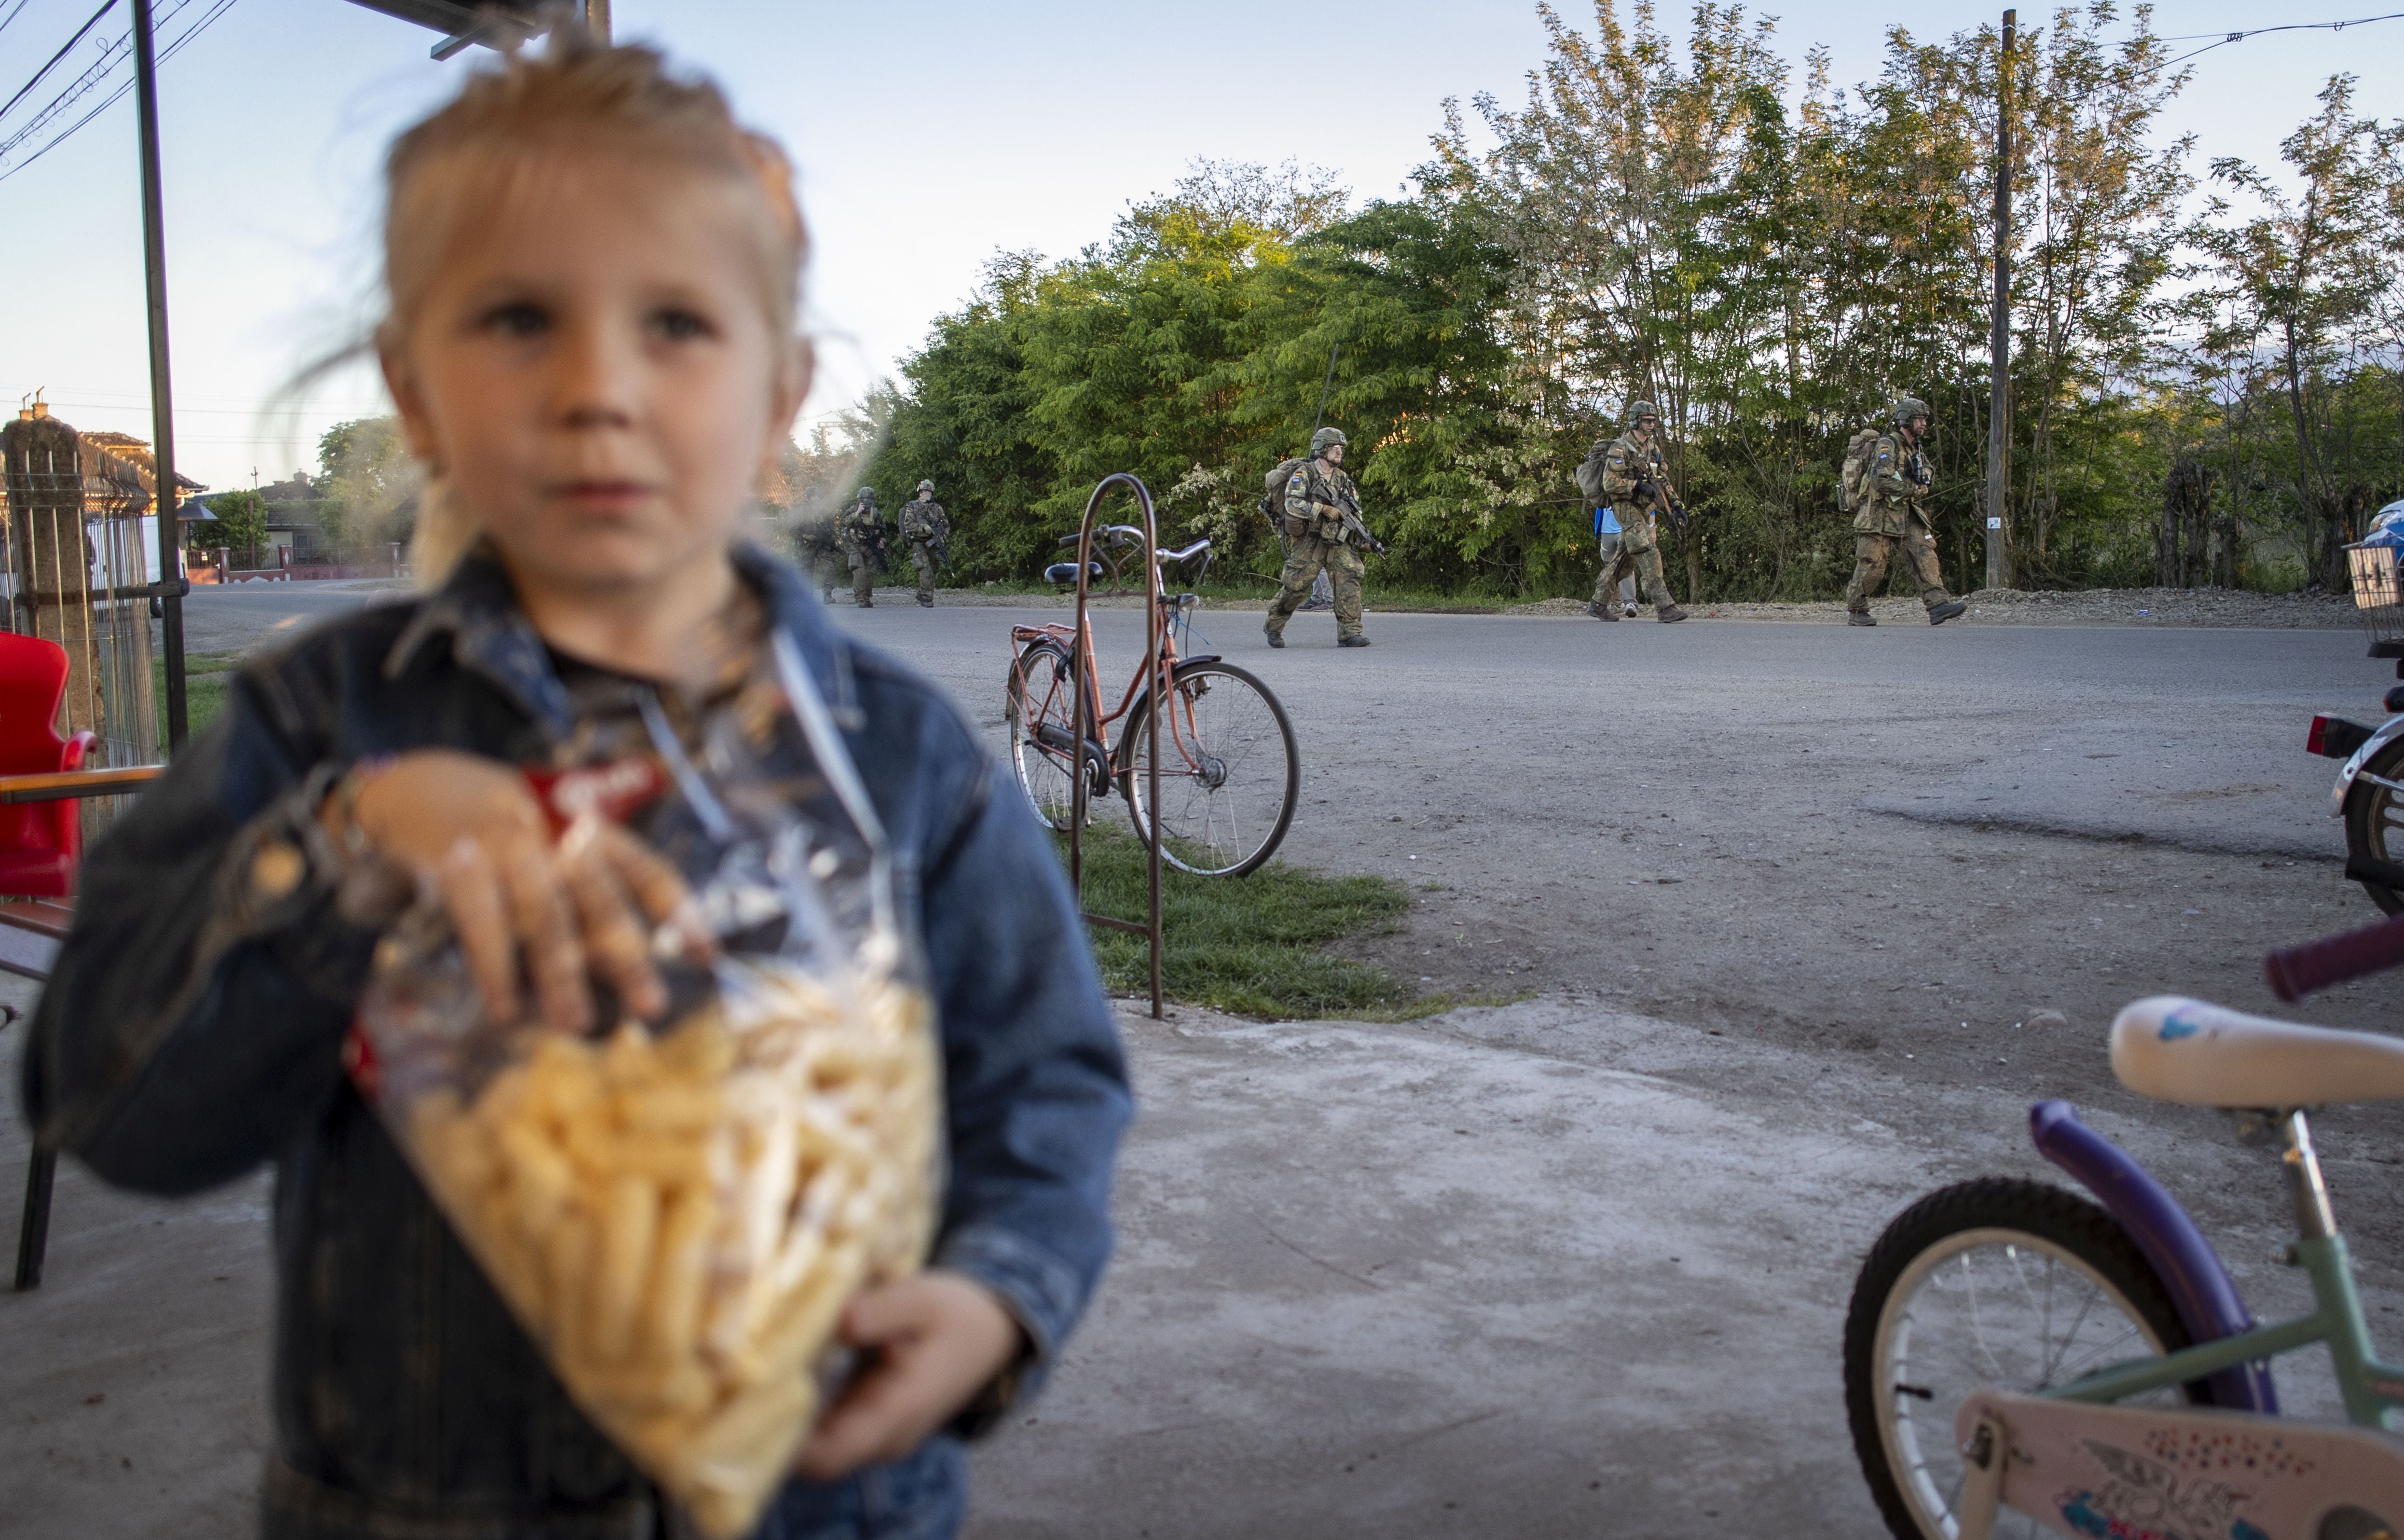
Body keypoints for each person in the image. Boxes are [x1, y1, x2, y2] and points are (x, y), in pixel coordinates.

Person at [18, 38, 1129, 1540]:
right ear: (414, 391)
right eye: (520, 317)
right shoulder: (319, 719)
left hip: (833, 1498)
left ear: (784, 398)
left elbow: (1046, 1080)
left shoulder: (898, 756)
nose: (599, 387)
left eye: (677, 321)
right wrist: (351, 841)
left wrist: (1000, 1299)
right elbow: (103, 1100)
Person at [1846, 396, 1968, 627]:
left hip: (1906, 511)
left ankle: (1938, 605)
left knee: (1924, 553)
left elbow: (1928, 469)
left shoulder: (1915, 447)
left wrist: (1924, 479)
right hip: (1879, 513)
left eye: (1924, 420)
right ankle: (1857, 609)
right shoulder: (1887, 445)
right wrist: (1914, 488)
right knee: (1872, 564)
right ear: (1906, 420)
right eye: (1919, 419)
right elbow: (1880, 480)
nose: (1924, 424)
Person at [1263, 426, 1372, 649]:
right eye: (1335, 447)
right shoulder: (1304, 474)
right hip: (1310, 541)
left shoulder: (1342, 478)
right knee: (1296, 587)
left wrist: (1362, 535)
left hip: (1337, 540)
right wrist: (1322, 509)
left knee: (1350, 577)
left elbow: (1355, 510)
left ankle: (1350, 632)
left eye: (1342, 448)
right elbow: (1292, 504)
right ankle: (1273, 627)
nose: (1340, 452)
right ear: (1322, 449)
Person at [1581, 401, 1687, 624]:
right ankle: (1665, 607)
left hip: (1644, 509)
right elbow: (1610, 484)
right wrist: (1637, 485)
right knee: (1648, 551)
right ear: (1636, 421)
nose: (1652, 424)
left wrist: (1677, 506)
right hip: (1626, 508)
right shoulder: (1620, 448)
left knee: (1625, 560)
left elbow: (1663, 481)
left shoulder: (1652, 449)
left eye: (1654, 420)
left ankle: (1598, 604)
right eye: (1647, 421)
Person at [899, 478, 950, 609]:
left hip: (933, 541)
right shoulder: (912, 506)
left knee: (934, 568)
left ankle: (922, 592)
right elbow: (908, 524)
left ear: (932, 493)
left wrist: (943, 537)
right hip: (918, 541)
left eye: (928, 491)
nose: (925, 493)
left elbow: (945, 525)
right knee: (924, 567)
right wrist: (923, 527)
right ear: (919, 492)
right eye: (923, 491)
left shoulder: (937, 508)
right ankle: (927, 598)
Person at [837, 483, 887, 608]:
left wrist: (882, 541)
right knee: (860, 571)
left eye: (870, 499)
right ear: (860, 499)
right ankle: (860, 597)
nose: (868, 502)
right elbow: (843, 522)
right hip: (855, 546)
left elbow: (883, 531)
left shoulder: (875, 514)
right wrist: (857, 513)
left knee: (870, 572)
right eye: (865, 499)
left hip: (870, 547)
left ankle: (867, 596)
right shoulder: (853, 510)